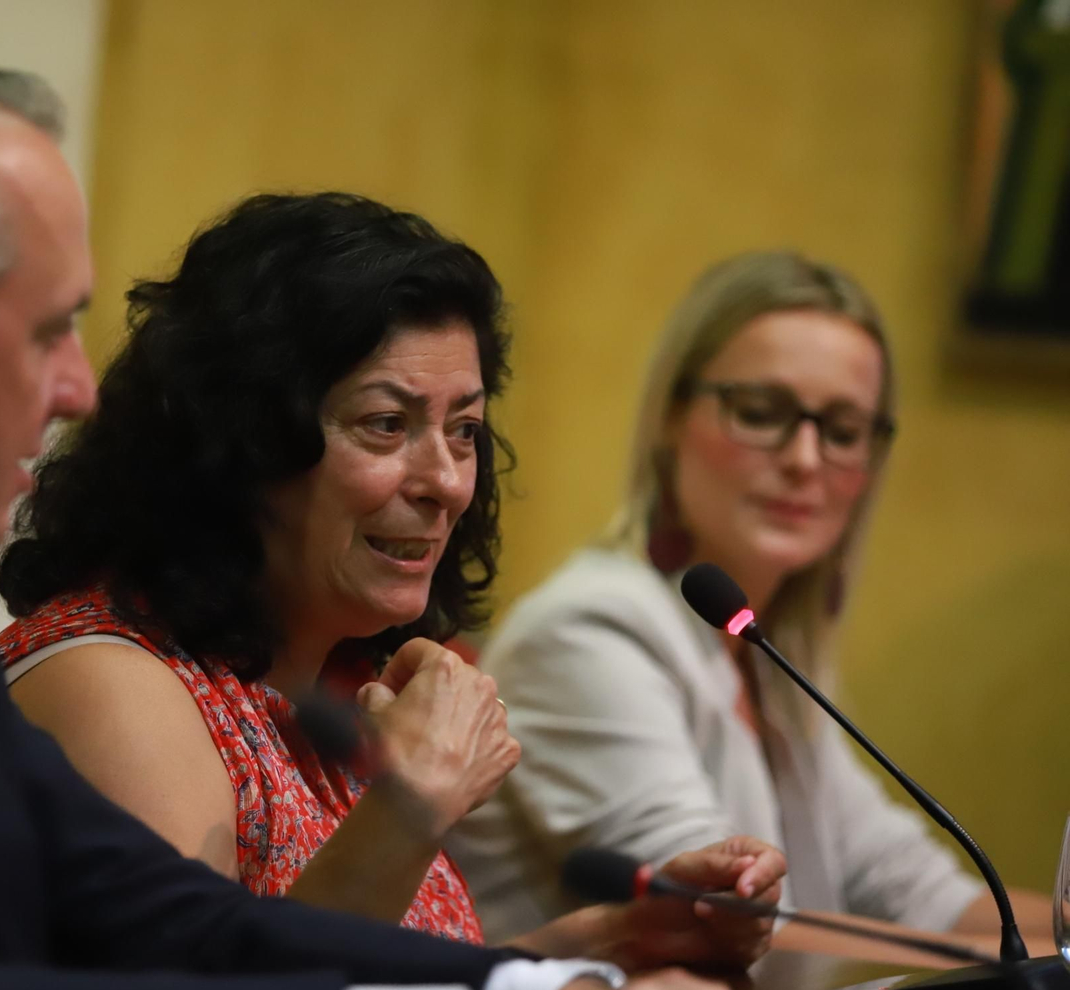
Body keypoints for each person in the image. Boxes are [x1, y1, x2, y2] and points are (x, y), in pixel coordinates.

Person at [0, 41, 776, 990]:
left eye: (465, 430)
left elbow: (180, 924)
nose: (76, 387)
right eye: (46, 330)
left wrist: (545, 988)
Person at [0, 191, 782, 969]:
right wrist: (412, 805)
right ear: (241, 442)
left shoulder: (320, 693)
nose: (447, 481)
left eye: (464, 430)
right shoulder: (114, 686)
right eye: (386, 424)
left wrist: (609, 941)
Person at [447, 250, 1055, 947]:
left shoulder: (767, 654)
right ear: (672, 417)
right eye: (761, 412)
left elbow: (916, 890)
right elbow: (724, 921)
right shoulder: (587, 632)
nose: (804, 459)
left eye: (843, 431)